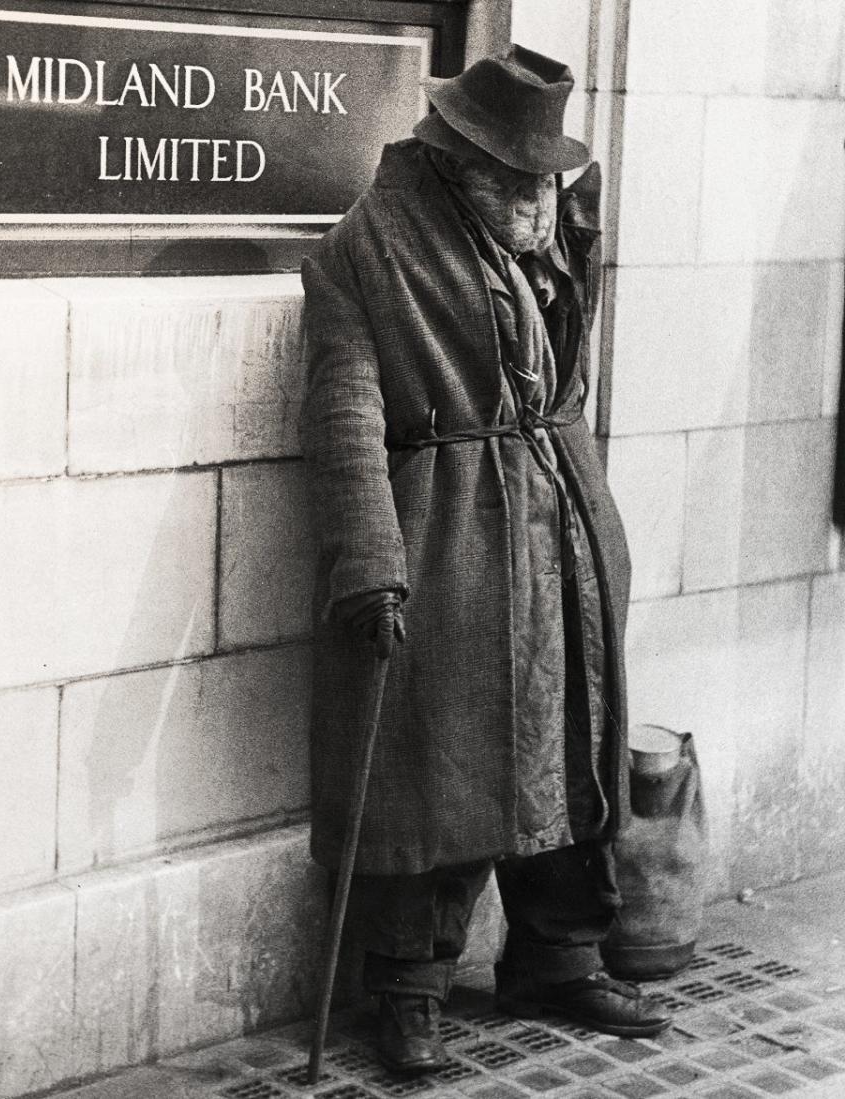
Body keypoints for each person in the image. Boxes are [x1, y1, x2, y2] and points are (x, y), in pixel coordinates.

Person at [299, 46, 671, 1074]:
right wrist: (370, 559)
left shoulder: (556, 233)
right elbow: (344, 414)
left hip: (562, 525)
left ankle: (559, 951)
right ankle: (408, 986)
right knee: (441, 767)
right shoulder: (366, 252)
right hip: (451, 535)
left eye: (545, 174)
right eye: (517, 174)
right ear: (462, 160)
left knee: (573, 733)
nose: (538, 193)